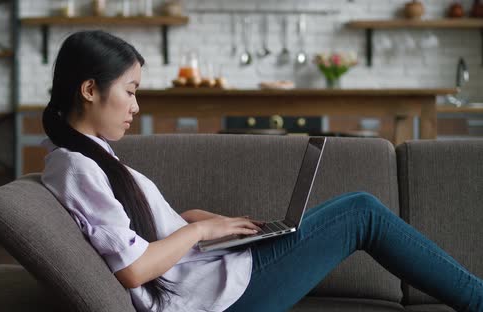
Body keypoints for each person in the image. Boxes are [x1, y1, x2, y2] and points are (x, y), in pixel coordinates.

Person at [40, 30, 483, 312]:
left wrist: (203, 222)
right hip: (219, 298)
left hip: (215, 274)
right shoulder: (73, 166)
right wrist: (197, 234)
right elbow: (133, 270)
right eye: (130, 91)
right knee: (361, 211)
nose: (136, 106)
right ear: (89, 90)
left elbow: (138, 232)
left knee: (353, 211)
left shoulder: (92, 155)